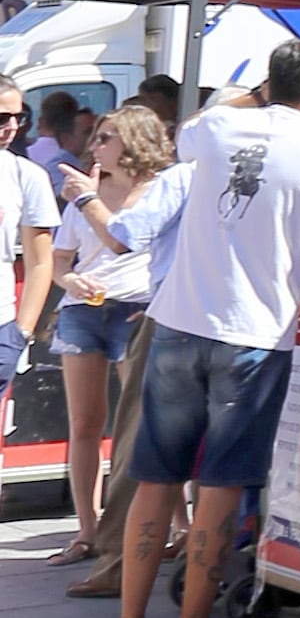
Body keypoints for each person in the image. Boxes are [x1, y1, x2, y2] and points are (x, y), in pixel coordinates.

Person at [100, 43, 300, 618]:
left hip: (180, 319)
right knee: (219, 483)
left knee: (156, 478)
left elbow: (200, 128)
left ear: (272, 81)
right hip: (254, 331)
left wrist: (260, 92)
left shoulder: (215, 127)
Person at [47, 105, 168, 555]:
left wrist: (159, 302)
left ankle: (170, 524)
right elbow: (61, 261)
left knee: (142, 423)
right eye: (96, 137)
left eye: (105, 137)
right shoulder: (86, 192)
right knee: (84, 423)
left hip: (137, 309)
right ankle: (87, 529)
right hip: (84, 309)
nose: (94, 146)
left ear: (133, 142)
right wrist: (72, 279)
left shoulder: (159, 193)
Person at [0, 84, 59, 463]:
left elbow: (41, 260)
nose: (9, 126)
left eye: (17, 118)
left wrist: (20, 333)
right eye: (0, 116)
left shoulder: (25, 175)